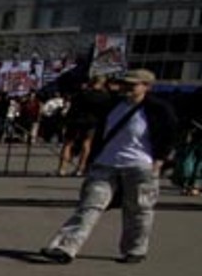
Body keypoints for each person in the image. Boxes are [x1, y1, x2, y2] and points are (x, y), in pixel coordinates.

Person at [39, 70, 177, 265]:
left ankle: (135, 249)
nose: (127, 89)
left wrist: (160, 160)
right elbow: (94, 116)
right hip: (106, 163)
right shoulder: (112, 104)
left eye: (132, 85)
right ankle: (64, 247)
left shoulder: (158, 109)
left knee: (138, 209)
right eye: (125, 84)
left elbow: (170, 135)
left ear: (147, 86)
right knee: (89, 206)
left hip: (140, 165)